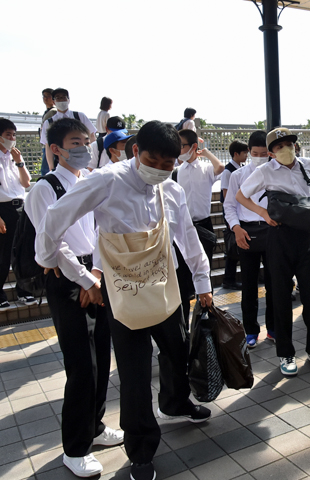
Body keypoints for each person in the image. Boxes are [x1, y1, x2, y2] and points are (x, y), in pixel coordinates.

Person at [35, 121, 213, 480]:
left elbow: (188, 236)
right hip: (122, 291)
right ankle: (142, 450)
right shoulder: (107, 180)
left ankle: (174, 404)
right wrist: (48, 257)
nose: (161, 170)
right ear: (135, 152)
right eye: (153, 161)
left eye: (169, 164)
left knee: (177, 353)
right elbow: (56, 216)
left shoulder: (171, 189)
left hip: (163, 285)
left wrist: (203, 281)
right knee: (133, 374)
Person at [27, 118, 123, 477]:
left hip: (94, 274)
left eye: (86, 141)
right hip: (67, 280)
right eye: (74, 142)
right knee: (82, 366)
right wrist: (85, 280)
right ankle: (75, 448)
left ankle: (95, 428)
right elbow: (54, 241)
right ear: (55, 149)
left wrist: (96, 273)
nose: (83, 147)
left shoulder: (89, 182)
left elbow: (101, 230)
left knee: (101, 355)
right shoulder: (45, 189)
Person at [237, 127, 310, 377]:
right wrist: (264, 214)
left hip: (306, 236)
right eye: (279, 147)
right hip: (279, 237)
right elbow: (241, 196)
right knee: (280, 296)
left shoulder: (306, 164)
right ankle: (286, 353)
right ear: (271, 152)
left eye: (289, 144)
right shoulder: (264, 171)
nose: (285, 149)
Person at [224, 130, 275, 347]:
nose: (260, 157)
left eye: (264, 153)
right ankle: (251, 331)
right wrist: (236, 228)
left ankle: (274, 329)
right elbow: (229, 206)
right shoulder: (238, 176)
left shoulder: (277, 172)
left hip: (272, 231)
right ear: (248, 151)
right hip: (246, 232)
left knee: (275, 284)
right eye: (255, 153)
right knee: (249, 286)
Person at [176, 128, 224, 323]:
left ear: (193, 147)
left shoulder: (205, 168)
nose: (178, 149)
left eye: (181, 146)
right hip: (181, 227)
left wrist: (205, 152)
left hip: (203, 225)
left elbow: (220, 167)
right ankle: (185, 324)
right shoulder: (176, 171)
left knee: (204, 272)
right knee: (183, 277)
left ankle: (206, 321)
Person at [0, 119, 34, 311]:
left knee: (23, 252)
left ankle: (24, 290)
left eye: (13, 135)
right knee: (3, 255)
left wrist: (20, 163)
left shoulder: (15, 158)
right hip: (2, 210)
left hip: (21, 207)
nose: (12, 139)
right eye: (8, 135)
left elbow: (26, 183)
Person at [40, 88, 97, 172]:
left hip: (82, 160)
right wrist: (51, 167)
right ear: (53, 102)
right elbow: (48, 146)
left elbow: (92, 136)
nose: (61, 100)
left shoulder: (79, 116)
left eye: (63, 97)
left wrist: (91, 160)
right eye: (58, 98)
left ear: (68, 100)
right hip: (60, 161)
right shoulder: (49, 122)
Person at [220, 140, 248, 290]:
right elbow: (227, 196)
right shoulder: (228, 171)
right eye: (244, 153)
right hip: (233, 216)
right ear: (236, 154)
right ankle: (228, 279)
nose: (247, 155)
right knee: (232, 249)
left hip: (240, 214)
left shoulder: (241, 168)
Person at [40, 88, 57, 175]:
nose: (46, 98)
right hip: (46, 143)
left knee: (46, 169)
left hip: (49, 144)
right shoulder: (48, 111)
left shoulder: (53, 111)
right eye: (44, 96)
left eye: (48, 96)